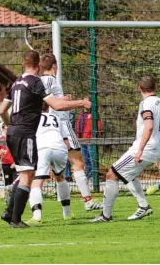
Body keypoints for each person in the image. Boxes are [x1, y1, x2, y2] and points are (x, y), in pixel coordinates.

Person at [0, 50, 91, 228]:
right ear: (38, 65)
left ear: (23, 64)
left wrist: (9, 125)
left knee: (25, 172)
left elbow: (2, 110)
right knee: (27, 175)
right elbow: (56, 105)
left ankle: (10, 212)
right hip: (25, 132)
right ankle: (16, 220)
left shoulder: (16, 82)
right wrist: (80, 102)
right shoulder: (36, 82)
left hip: (12, 133)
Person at [91, 75, 160, 222]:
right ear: (156, 87)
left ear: (139, 88)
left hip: (144, 148)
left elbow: (149, 126)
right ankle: (143, 206)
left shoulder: (146, 103)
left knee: (111, 175)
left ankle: (105, 216)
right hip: (155, 148)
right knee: (129, 174)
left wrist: (141, 149)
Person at [39, 54, 102, 211]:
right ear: (55, 66)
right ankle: (88, 201)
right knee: (78, 162)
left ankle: (61, 208)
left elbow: (50, 103)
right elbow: (56, 106)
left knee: (55, 171)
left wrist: (64, 99)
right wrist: (80, 102)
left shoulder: (40, 81)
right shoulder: (51, 80)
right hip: (61, 125)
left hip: (46, 128)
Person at [26, 102, 73, 225]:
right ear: (48, 107)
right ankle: (67, 214)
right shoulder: (56, 117)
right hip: (60, 148)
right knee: (60, 178)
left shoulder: (32, 117)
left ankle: (37, 216)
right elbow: (67, 142)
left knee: (37, 181)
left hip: (43, 148)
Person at [75, 96, 102, 179]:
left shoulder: (94, 114)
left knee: (92, 159)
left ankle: (94, 177)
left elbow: (98, 126)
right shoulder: (81, 114)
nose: (85, 104)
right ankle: (89, 175)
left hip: (90, 140)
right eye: (84, 101)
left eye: (87, 102)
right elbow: (78, 127)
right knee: (85, 159)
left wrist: (95, 137)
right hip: (82, 140)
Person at [0, 123, 17, 201]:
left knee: (16, 183)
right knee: (7, 183)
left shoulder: (14, 138)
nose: (8, 130)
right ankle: (8, 200)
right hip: (5, 165)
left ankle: (15, 200)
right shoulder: (0, 140)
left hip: (15, 164)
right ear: (3, 129)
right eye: (7, 128)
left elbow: (18, 152)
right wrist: (0, 152)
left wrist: (15, 162)